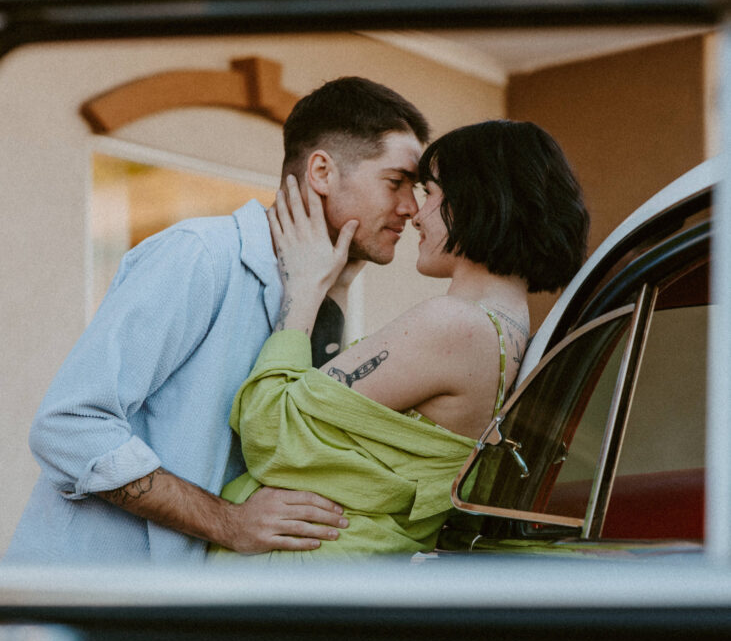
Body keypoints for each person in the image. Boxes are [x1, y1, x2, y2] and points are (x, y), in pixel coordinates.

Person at [5, 77, 430, 564]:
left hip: (183, 617)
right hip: (90, 606)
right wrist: (228, 521)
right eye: (396, 182)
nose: (411, 208)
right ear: (321, 171)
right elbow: (69, 428)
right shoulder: (200, 256)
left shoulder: (318, 294)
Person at [215, 119, 590, 562]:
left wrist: (303, 291)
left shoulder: (455, 326)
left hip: (298, 581)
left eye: (431, 193)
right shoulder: (511, 333)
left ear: (478, 201)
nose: (415, 211)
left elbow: (270, 432)